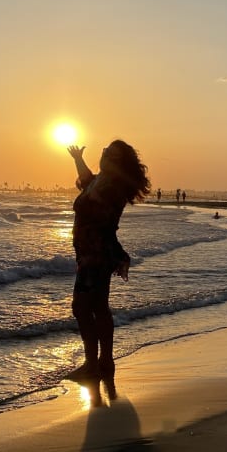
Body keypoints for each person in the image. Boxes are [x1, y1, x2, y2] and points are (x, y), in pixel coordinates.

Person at [66, 140, 151, 382]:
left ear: (119, 163)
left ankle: (93, 364)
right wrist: (78, 159)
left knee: (82, 307)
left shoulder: (113, 187)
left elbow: (103, 219)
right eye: (105, 151)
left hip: (96, 254)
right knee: (98, 307)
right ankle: (104, 362)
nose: (105, 156)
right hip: (90, 252)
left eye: (112, 155)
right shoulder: (101, 181)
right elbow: (87, 180)